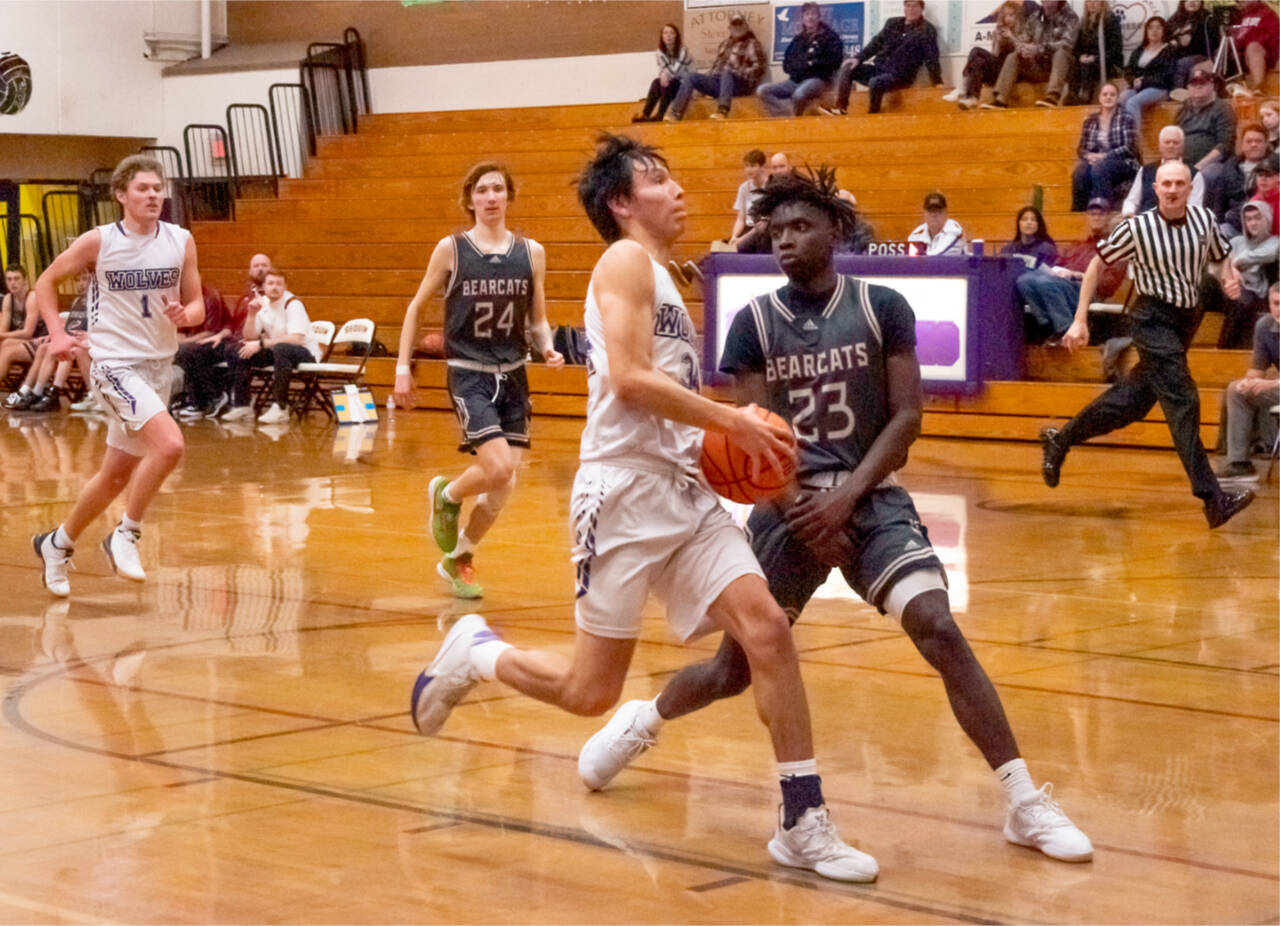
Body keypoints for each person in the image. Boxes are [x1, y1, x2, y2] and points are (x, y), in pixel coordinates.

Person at [577, 167, 1093, 864]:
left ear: (836, 232)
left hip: (868, 498)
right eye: (776, 231)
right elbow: (753, 441)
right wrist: (800, 507)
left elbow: (907, 418)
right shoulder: (754, 323)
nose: (785, 241)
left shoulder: (882, 307)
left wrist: (846, 499)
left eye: (801, 227)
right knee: (734, 670)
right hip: (788, 507)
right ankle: (647, 718)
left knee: (937, 626)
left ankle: (1025, 802)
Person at [409, 135, 879, 884]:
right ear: (622, 203)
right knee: (588, 693)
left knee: (767, 629)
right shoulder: (624, 261)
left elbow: (665, 396)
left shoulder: (665, 279)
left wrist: (723, 452)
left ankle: (803, 820)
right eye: (658, 180)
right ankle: (477, 652)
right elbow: (628, 379)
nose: (678, 189)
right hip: (622, 491)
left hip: (683, 491)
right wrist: (730, 421)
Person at [1042, 161, 1254, 529]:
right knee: (1183, 399)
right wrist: (1079, 319)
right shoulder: (1137, 227)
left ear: (1190, 189)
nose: (1172, 190)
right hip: (1151, 317)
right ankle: (1212, 499)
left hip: (1185, 320)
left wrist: (1230, 279)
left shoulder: (1204, 221)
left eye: (1179, 184)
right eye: (1165, 184)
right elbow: (1095, 266)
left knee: (1132, 402)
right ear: (1155, 189)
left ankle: (1061, 439)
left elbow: (1222, 260)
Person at [32, 154, 204, 597]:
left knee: (114, 475)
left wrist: (185, 314)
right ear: (121, 195)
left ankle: (57, 543)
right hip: (113, 364)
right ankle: (125, 534)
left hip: (158, 365)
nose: (153, 195)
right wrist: (57, 334)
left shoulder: (181, 240)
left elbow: (198, 306)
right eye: (143, 188)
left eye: (158, 188)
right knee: (170, 446)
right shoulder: (100, 241)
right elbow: (45, 282)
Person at [393, 162, 563, 600]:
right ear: (470, 199)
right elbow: (415, 308)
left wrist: (547, 347)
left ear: (509, 196)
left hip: (514, 374)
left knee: (505, 486)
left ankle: (460, 556)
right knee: (499, 468)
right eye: (482, 190)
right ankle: (448, 495)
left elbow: (538, 318)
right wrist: (401, 368)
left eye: (498, 189)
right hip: (470, 373)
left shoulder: (532, 253)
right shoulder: (451, 249)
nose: (490, 197)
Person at [1017, 198, 1127, 341]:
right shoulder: (1078, 246)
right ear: (1087, 217)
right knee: (1024, 280)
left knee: (1045, 283)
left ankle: (1065, 329)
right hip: (1063, 285)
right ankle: (1045, 323)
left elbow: (1107, 285)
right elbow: (1058, 263)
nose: (1096, 217)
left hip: (1088, 290)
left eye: (1101, 214)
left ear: (1108, 217)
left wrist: (1078, 275)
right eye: (1093, 214)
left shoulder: (1113, 247)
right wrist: (1057, 271)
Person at [224, 268, 320, 425]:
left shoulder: (292, 303)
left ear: (285, 287)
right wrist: (251, 315)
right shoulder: (262, 304)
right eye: (271, 283)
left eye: (279, 284)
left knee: (281, 348)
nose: (275, 287)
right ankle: (243, 404)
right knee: (239, 349)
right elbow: (250, 336)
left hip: (305, 353)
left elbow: (296, 338)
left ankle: (280, 407)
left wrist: (262, 344)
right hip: (278, 352)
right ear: (263, 287)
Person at [823, 0, 941, 116]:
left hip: (900, 75)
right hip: (879, 68)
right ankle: (840, 108)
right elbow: (876, 43)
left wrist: (937, 81)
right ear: (904, 7)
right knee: (848, 68)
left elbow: (931, 57)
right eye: (908, 6)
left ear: (921, 9)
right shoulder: (893, 23)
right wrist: (858, 58)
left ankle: (873, 114)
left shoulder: (927, 30)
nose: (911, 9)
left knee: (876, 82)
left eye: (914, 6)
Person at [1219, 284, 1280, 478]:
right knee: (1235, 390)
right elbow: (1257, 370)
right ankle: (1239, 462)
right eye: (1276, 303)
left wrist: (1272, 384)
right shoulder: (1264, 326)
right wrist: (1247, 382)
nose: (1279, 309)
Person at [668, 14, 766, 121]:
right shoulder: (724, 44)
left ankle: (722, 111)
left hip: (739, 85)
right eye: (734, 25)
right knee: (690, 77)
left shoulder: (752, 44)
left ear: (746, 26)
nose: (737, 27)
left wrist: (738, 72)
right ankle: (675, 114)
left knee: (727, 71)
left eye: (740, 24)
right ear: (730, 28)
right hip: (718, 83)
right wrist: (703, 86)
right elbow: (716, 66)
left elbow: (760, 68)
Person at [987, 0, 1079, 110]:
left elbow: (1067, 44)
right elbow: (1023, 40)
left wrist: (1038, 49)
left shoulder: (1070, 17)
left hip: (1061, 68)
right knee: (1014, 56)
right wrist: (1023, 49)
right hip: (1038, 66)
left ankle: (1052, 97)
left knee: (1061, 53)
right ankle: (1001, 100)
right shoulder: (1034, 17)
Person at [758, 2, 844, 117]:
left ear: (819, 17)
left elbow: (835, 62)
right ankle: (785, 119)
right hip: (795, 80)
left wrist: (812, 65)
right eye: (807, 14)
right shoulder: (798, 40)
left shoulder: (830, 37)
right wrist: (802, 66)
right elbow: (786, 64)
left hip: (818, 80)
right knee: (763, 90)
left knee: (799, 95)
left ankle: (796, 122)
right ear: (803, 18)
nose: (810, 17)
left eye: (813, 14)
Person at [1071, 83, 1140, 211]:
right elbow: (1081, 149)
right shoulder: (1090, 120)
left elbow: (1130, 148)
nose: (1108, 97)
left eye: (1112, 95)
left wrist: (1104, 156)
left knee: (1099, 168)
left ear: (1117, 98)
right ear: (1099, 98)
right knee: (1079, 172)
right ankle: (1077, 214)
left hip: (1123, 161)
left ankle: (1101, 211)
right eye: (1105, 94)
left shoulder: (1126, 118)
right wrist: (1089, 156)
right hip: (1095, 161)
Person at [1219, 201, 1278, 349]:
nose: (1253, 223)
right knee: (1209, 283)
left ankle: (1224, 349)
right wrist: (1231, 270)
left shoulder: (1274, 242)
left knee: (1240, 297)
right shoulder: (1236, 241)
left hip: (1255, 294)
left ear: (1267, 219)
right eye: (1248, 219)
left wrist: (1234, 263)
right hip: (1230, 288)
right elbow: (1220, 261)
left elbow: (1263, 255)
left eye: (1258, 218)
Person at [1176, 63, 1237, 205]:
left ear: (1212, 85)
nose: (1198, 86)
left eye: (1202, 83)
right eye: (1193, 83)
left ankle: (1198, 215)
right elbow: (1174, 138)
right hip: (1184, 163)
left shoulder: (1222, 108)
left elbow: (1225, 146)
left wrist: (1198, 166)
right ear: (1187, 88)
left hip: (1213, 164)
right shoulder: (1183, 110)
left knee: (1206, 175)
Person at [172, 283, 231, 420]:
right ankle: (197, 401)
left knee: (187, 352)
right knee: (183, 352)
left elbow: (210, 332)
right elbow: (178, 332)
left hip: (220, 341)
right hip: (195, 343)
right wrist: (181, 342)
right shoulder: (178, 298)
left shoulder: (210, 297)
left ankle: (215, 395)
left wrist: (185, 343)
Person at [955, 1, 1028, 110]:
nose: (1007, 19)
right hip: (999, 71)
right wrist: (997, 40)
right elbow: (995, 56)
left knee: (976, 51)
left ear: (1017, 16)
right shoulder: (1000, 30)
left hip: (1014, 73)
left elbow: (1024, 51)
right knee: (978, 61)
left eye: (1011, 15)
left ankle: (964, 85)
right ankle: (972, 98)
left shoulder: (1024, 29)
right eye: (1005, 16)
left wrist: (1012, 37)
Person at [1121, 125, 1207, 218]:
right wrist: (1129, 213)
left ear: (1182, 147)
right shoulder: (1145, 171)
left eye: (1176, 142)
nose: (1171, 146)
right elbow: (1132, 200)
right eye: (1167, 142)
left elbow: (1194, 208)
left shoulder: (1194, 174)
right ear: (1159, 146)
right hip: (1145, 222)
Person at [1119, 16, 1177, 134]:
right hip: (1139, 87)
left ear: (1164, 30)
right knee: (1122, 98)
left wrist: (1144, 81)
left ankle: (1133, 140)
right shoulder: (1140, 50)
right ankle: (1121, 135)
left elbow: (1167, 74)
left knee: (1133, 102)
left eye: (1158, 28)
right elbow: (1128, 70)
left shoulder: (1169, 50)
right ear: (1146, 31)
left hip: (1159, 87)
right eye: (1151, 28)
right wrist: (1133, 80)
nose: (1154, 31)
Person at [1219, 124, 1274, 235]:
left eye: (1258, 141)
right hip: (1235, 224)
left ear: (1266, 144)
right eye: (1249, 141)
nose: (1253, 144)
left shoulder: (1275, 166)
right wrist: (1219, 222)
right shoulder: (1230, 167)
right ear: (1242, 144)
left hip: (1267, 227)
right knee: (1221, 231)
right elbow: (1220, 200)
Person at [632, 23, 693, 123]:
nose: (668, 36)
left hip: (685, 85)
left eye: (672, 33)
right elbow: (662, 71)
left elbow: (676, 72)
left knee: (668, 82)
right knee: (656, 82)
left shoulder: (683, 51)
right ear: (662, 36)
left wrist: (664, 75)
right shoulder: (660, 52)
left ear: (676, 36)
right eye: (665, 33)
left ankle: (660, 114)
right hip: (671, 85)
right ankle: (645, 114)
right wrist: (662, 75)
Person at [1065, 1, 1122, 105]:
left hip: (1108, 63)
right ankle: (1071, 97)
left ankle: (1085, 97)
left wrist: (1095, 58)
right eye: (1089, 1)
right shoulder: (1084, 22)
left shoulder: (1110, 20)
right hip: (1086, 64)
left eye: (1095, 0)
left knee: (1088, 65)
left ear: (1102, 3)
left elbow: (1115, 51)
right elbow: (1076, 48)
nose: (1092, 3)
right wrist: (1080, 56)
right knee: (1074, 63)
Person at [0, 264, 46, 388]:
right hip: (22, 342)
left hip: (41, 342)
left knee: (8, 350)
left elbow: (27, 333)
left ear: (25, 281)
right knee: (4, 343)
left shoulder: (32, 297)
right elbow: (3, 331)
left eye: (16, 279)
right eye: (9, 279)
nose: (13, 283)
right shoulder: (8, 299)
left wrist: (2, 336)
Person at [1225, 1, 1279, 98]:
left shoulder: (1267, 14)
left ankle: (1259, 87)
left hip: (1262, 54)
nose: (1238, 1)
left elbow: (1274, 36)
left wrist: (1251, 41)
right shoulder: (1238, 16)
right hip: (1239, 54)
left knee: (1253, 46)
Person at [1166, 1, 1220, 90]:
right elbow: (1166, 37)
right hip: (1178, 54)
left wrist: (1192, 41)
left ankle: (1177, 93)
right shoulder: (1176, 17)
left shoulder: (1207, 18)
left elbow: (1214, 43)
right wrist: (1177, 41)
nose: (1192, 2)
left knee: (1181, 63)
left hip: (1200, 54)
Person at [728, 149, 768, 246]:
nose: (749, 170)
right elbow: (741, 219)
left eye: (753, 166)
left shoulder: (771, 187)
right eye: (746, 166)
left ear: (762, 167)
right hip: (748, 229)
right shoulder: (744, 188)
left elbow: (763, 224)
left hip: (764, 232)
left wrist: (741, 240)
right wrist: (734, 236)